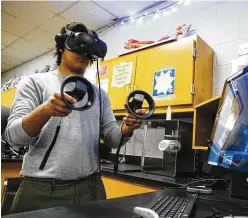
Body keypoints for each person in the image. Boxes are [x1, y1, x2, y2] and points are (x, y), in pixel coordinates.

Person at [4, 22, 144, 213]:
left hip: (91, 188)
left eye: (89, 51)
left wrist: (127, 128)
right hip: (44, 190)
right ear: (61, 46)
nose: (84, 54)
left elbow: (112, 138)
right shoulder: (35, 83)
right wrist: (45, 111)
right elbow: (14, 138)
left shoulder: (99, 94)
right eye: (79, 46)